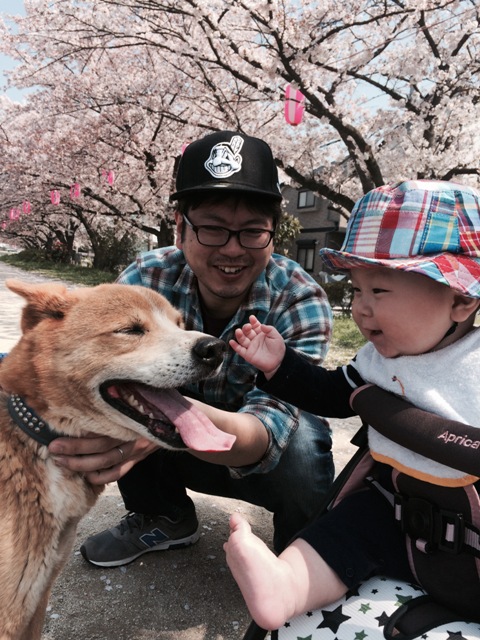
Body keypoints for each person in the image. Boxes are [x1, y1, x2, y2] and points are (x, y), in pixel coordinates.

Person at [48, 130, 335, 562]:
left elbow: (270, 428)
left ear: (274, 234)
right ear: (180, 229)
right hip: (166, 443)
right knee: (115, 389)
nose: (233, 250)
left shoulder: (300, 299)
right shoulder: (148, 277)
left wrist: (166, 419)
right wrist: (138, 418)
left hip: (257, 454)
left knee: (305, 440)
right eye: (213, 229)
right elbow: (94, 365)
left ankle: (302, 556)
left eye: (252, 231)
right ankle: (162, 517)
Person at [225, 179, 480, 630]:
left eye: (379, 291)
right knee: (350, 523)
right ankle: (285, 585)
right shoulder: (377, 363)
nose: (361, 308)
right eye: (356, 290)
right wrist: (281, 366)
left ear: (459, 299)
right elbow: (330, 394)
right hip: (399, 511)